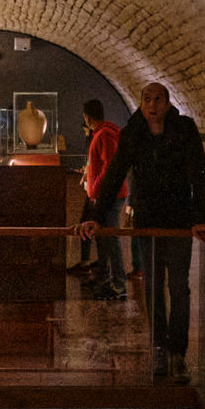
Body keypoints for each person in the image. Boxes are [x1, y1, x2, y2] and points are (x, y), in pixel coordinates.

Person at [74, 82, 205, 382]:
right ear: (141, 102)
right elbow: (115, 173)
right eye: (147, 99)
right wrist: (97, 215)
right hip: (148, 219)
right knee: (152, 286)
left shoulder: (184, 129)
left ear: (167, 102)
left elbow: (199, 172)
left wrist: (200, 217)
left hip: (178, 220)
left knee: (179, 287)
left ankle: (178, 353)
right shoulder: (132, 133)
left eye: (158, 99)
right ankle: (159, 348)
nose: (152, 104)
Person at [76, 99, 126, 300]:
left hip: (109, 196)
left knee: (110, 238)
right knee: (103, 238)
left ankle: (118, 284)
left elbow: (109, 167)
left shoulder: (104, 134)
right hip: (105, 195)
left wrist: (95, 185)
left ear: (87, 117)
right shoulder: (102, 133)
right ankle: (104, 277)